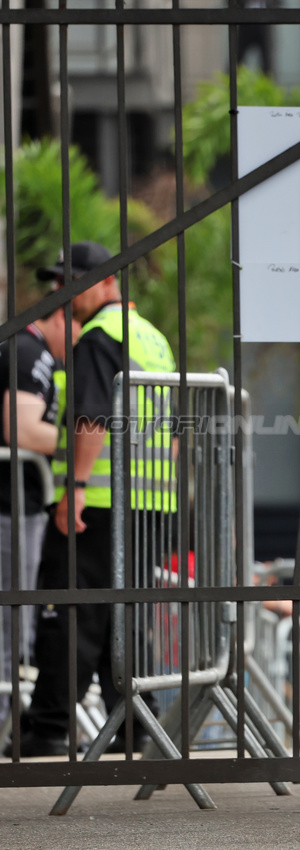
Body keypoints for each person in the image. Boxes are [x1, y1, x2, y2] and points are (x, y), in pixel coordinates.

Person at [5, 241, 176, 758]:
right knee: (123, 615)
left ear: (105, 281)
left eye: (71, 280)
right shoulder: (151, 337)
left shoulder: (100, 336)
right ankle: (136, 724)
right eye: (58, 281)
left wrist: (74, 488)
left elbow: (92, 418)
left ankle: (48, 728)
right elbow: (169, 432)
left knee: (70, 610)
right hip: (150, 505)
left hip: (100, 503)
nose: (62, 291)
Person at [0, 304, 75, 730]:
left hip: (18, 503)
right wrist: (88, 441)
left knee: (15, 620)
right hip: (10, 505)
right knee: (11, 621)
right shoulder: (30, 351)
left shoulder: (29, 349)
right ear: (63, 317)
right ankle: (4, 725)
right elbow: (23, 429)